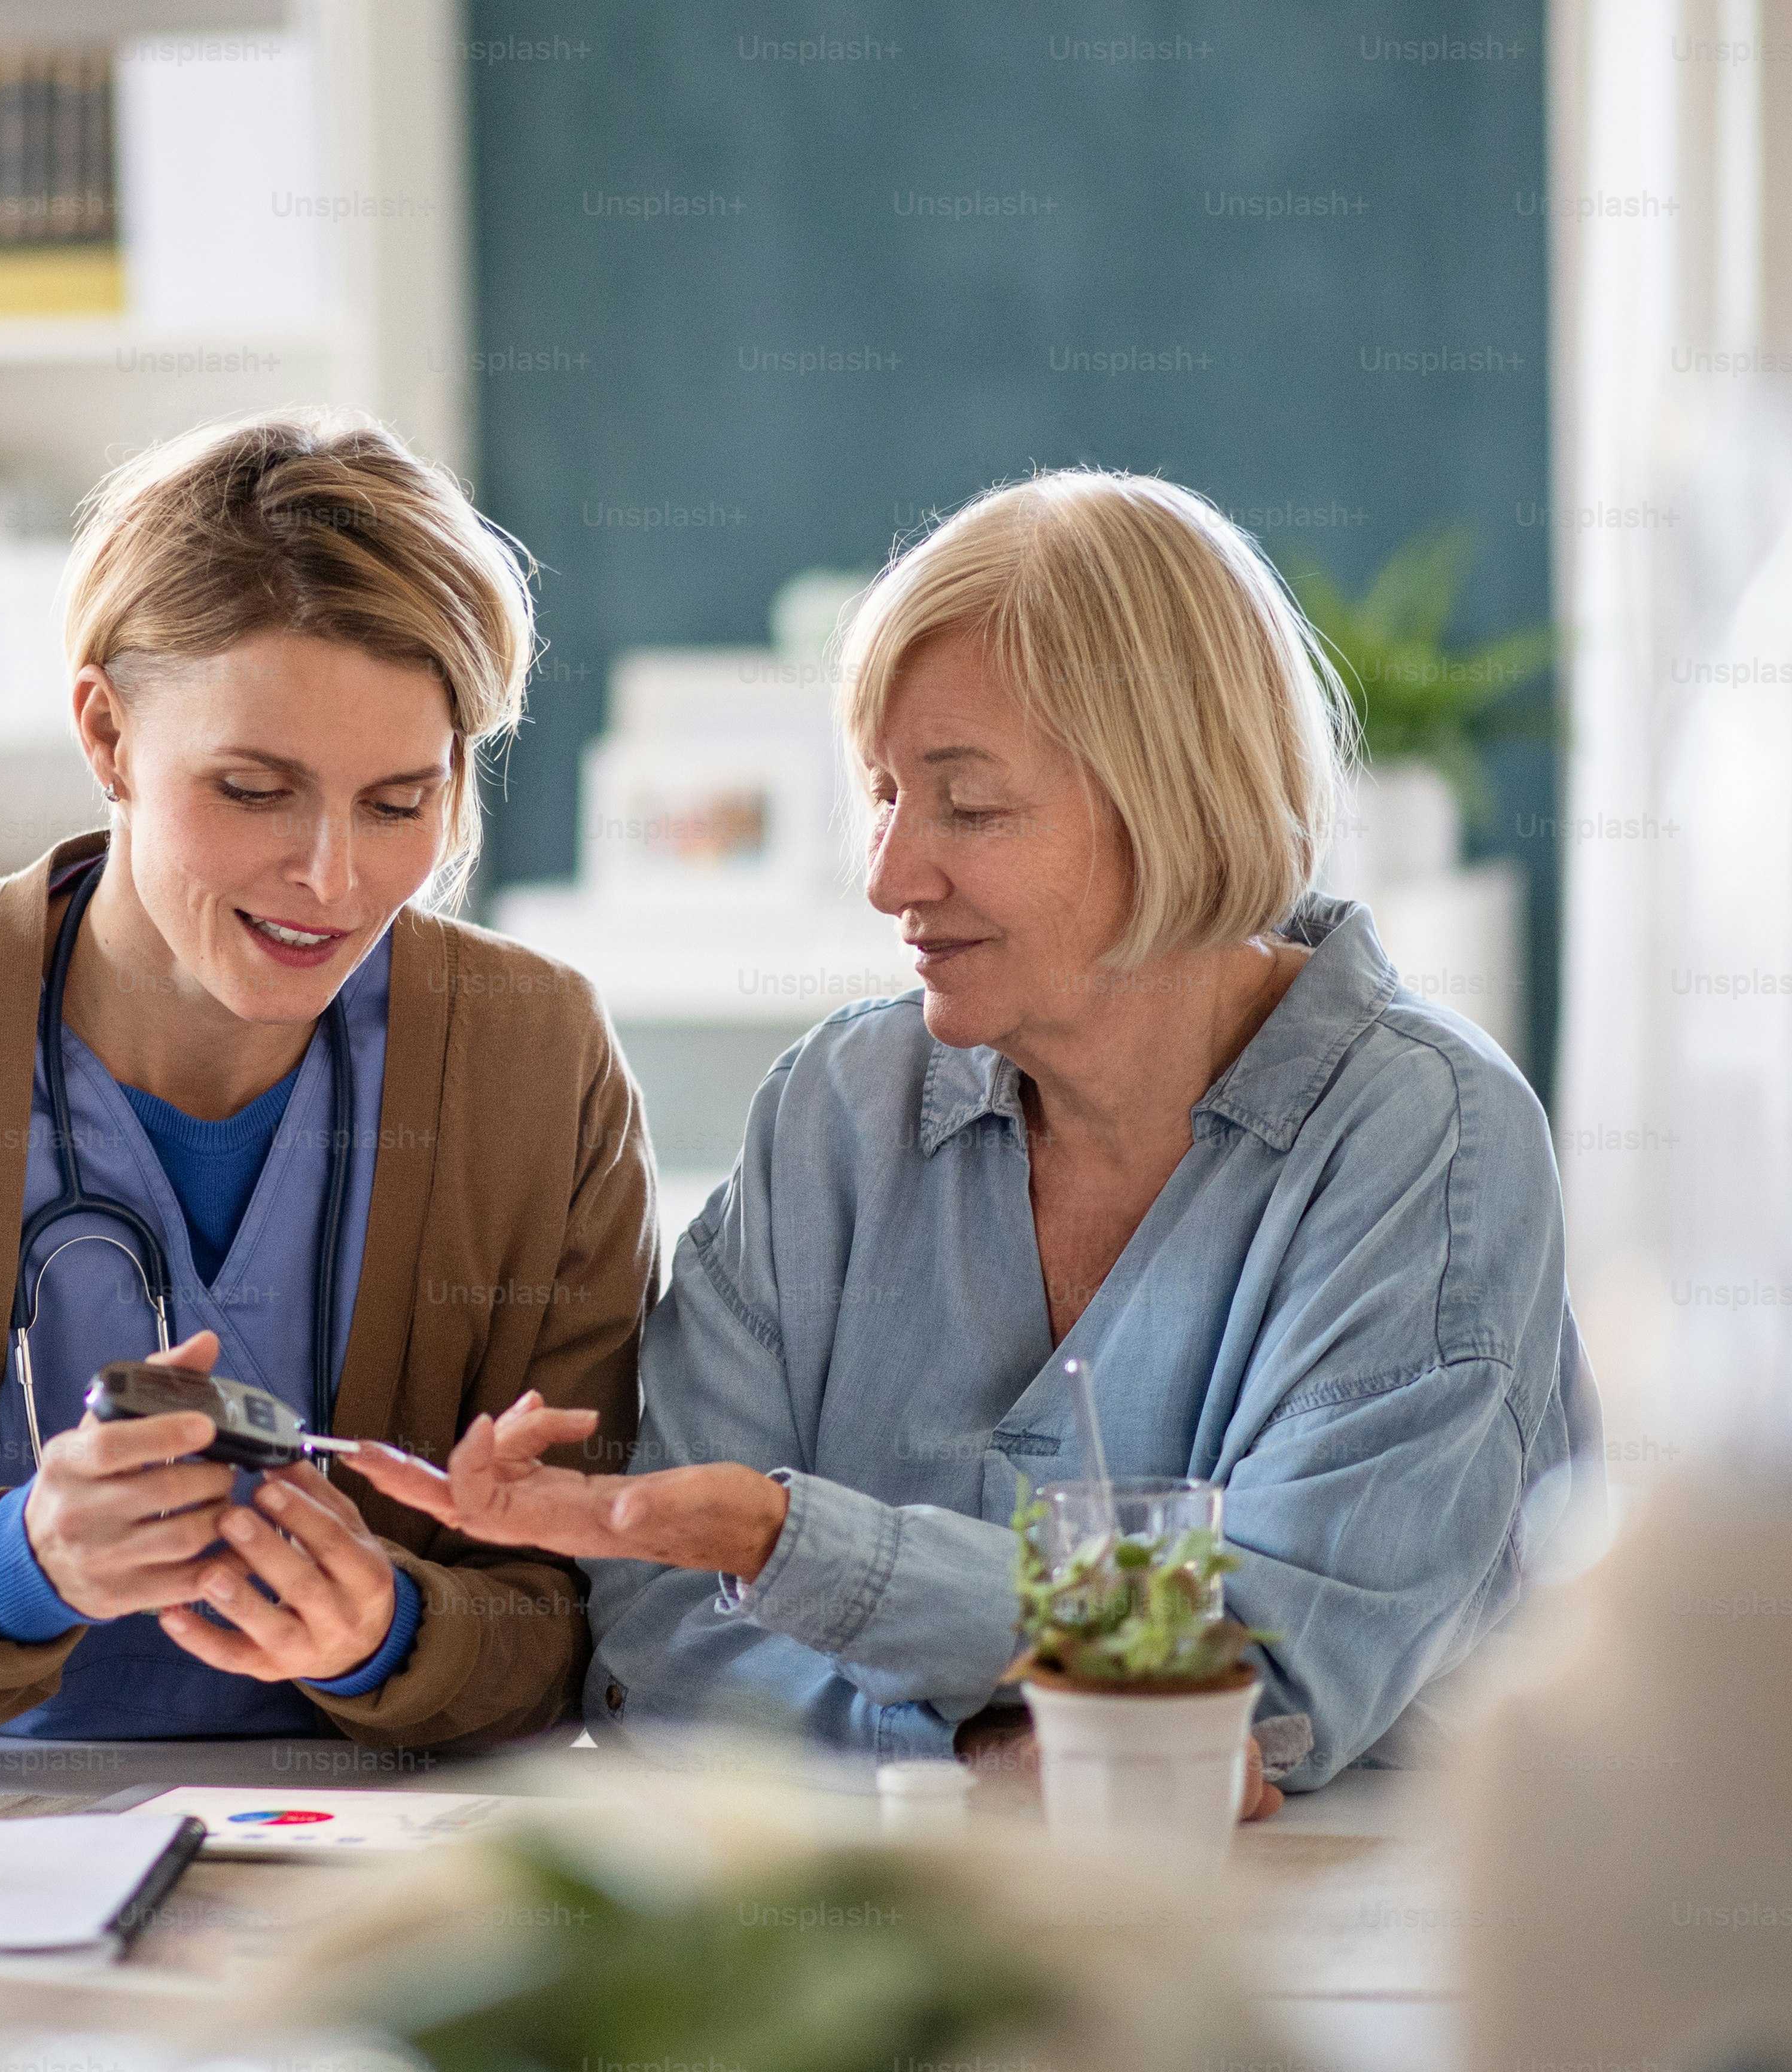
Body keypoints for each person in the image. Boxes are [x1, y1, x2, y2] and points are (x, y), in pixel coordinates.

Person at [358, 468, 1598, 1803]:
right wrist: (969, 1751)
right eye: (885, 794)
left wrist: (793, 1547)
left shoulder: (1432, 1135)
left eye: (969, 804)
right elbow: (658, 1635)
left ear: (1176, 796)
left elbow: (1265, 1684)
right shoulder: (834, 1109)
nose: (891, 873)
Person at [0, 408, 655, 1751]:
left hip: (373, 1863)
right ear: (105, 734)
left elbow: (600, 1622)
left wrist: (390, 1627)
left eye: (401, 803)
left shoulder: (534, 1058)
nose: (333, 879)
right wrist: (20, 1563)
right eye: (253, 789)